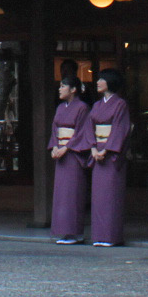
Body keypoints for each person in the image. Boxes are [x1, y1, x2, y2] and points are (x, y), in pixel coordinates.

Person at [80, 68, 132, 247]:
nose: (97, 82)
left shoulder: (120, 104)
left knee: (111, 196)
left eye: (101, 79)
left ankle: (111, 236)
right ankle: (99, 236)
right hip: (98, 153)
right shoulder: (96, 105)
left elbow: (120, 129)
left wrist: (107, 150)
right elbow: (89, 127)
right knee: (98, 197)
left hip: (111, 156)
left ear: (110, 82)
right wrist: (93, 148)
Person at [48, 75, 91, 244]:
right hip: (61, 153)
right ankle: (63, 231)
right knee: (61, 194)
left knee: (73, 193)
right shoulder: (60, 108)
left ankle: (74, 233)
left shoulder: (82, 108)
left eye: (63, 86)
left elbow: (81, 132)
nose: (59, 89)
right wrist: (54, 147)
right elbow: (55, 130)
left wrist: (66, 147)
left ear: (73, 89)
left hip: (73, 154)